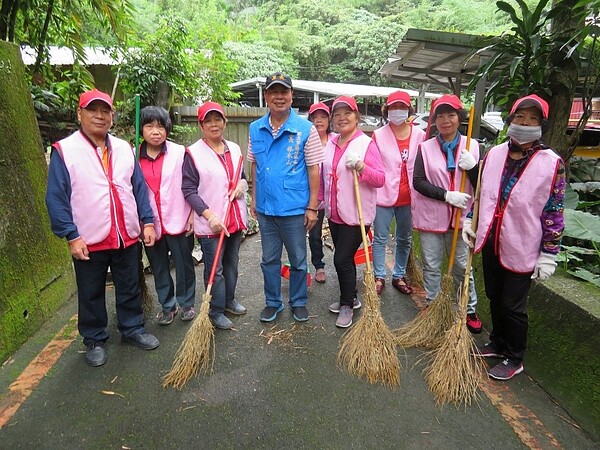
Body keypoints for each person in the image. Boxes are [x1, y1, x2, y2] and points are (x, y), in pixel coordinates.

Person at [45, 88, 160, 368]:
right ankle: (95, 339)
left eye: (105, 110)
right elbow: (56, 197)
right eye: (92, 110)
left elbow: (139, 188)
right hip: (89, 237)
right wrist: (71, 235)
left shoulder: (123, 148)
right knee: (91, 290)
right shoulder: (66, 150)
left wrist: (147, 221)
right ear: (79, 114)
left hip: (125, 234)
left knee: (130, 285)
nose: (99, 116)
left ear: (111, 115)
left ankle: (132, 328)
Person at [463, 94, 565, 380]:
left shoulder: (551, 163)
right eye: (520, 118)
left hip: (522, 243)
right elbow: (482, 193)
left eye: (532, 119)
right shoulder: (494, 154)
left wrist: (549, 253)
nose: (525, 123)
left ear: (540, 125)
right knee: (494, 295)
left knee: (513, 305)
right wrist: (471, 221)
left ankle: (514, 356)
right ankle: (497, 342)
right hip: (491, 238)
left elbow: (554, 211)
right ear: (510, 120)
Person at [248, 72, 324, 323]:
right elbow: (255, 166)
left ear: (291, 96)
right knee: (269, 259)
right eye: (273, 92)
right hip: (267, 209)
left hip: (294, 208)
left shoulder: (306, 129)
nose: (279, 97)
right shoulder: (255, 128)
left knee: (298, 259)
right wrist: (254, 200)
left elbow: (314, 168)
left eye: (284, 92)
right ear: (266, 96)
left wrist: (312, 207)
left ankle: (299, 301)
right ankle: (272, 302)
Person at [412, 94, 482, 333]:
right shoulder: (425, 147)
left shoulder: (473, 146)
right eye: (440, 116)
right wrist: (446, 195)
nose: (445, 120)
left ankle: (467, 309)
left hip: (463, 220)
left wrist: (473, 168)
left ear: (460, 118)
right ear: (434, 121)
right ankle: (433, 305)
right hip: (432, 217)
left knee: (464, 267)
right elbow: (418, 182)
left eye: (450, 115)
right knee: (431, 265)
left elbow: (483, 185)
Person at [182, 102, 248, 330]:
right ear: (201, 125)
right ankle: (215, 310)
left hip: (234, 219)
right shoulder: (193, 153)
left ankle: (229, 300)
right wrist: (209, 216)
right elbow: (188, 190)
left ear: (224, 122)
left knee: (231, 264)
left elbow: (242, 176)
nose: (213, 124)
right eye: (208, 120)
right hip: (212, 223)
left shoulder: (235, 148)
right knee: (215, 269)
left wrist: (242, 184)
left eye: (217, 119)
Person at [321, 96, 385, 328]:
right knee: (344, 258)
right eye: (336, 114)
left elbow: (380, 179)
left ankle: (347, 303)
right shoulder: (331, 143)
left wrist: (360, 166)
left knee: (341, 259)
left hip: (356, 214)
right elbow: (323, 177)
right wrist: (318, 204)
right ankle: (353, 297)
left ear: (357, 117)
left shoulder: (366, 144)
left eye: (347, 113)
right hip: (335, 213)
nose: (341, 118)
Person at [138, 106, 196, 325]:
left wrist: (191, 213)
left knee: (184, 264)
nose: (156, 131)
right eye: (150, 126)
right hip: (150, 223)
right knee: (159, 265)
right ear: (141, 129)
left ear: (167, 129)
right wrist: (143, 223)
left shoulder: (180, 152)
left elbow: (191, 184)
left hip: (178, 218)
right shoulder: (133, 157)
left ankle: (187, 303)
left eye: (161, 126)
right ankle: (167, 306)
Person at [371, 91, 425, 296]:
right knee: (381, 238)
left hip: (410, 196)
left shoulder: (420, 135)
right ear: (387, 110)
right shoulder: (379, 135)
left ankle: (399, 275)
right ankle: (379, 276)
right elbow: (374, 164)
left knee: (405, 238)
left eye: (401, 107)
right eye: (393, 107)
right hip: (384, 194)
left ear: (409, 110)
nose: (397, 111)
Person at [307, 102, 334, 283]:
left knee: (339, 233)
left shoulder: (336, 140)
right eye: (315, 117)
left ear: (328, 119)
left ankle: (344, 265)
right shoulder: (306, 140)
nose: (319, 121)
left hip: (334, 196)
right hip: (315, 196)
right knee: (314, 234)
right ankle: (319, 266)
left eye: (323, 117)